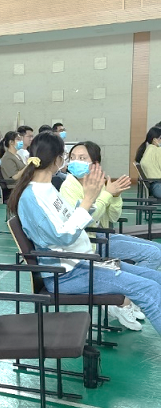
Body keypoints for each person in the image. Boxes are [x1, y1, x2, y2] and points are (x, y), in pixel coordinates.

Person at [7, 132, 161, 335]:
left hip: (83, 262)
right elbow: (62, 236)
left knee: (156, 279)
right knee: (149, 289)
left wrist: (91, 198)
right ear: (58, 159)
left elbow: (71, 218)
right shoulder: (32, 197)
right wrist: (88, 200)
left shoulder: (47, 188)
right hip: (66, 274)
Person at [61, 141, 159, 329]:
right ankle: (125, 300)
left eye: (82, 158)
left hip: (103, 235)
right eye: (72, 158)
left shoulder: (97, 182)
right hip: (90, 241)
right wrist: (107, 194)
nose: (75, 162)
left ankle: (126, 299)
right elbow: (85, 221)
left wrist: (114, 196)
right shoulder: (69, 186)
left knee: (157, 250)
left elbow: (113, 216)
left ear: (95, 164)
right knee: (153, 254)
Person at [135, 125, 161, 198]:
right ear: (155, 140)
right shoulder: (157, 150)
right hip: (158, 187)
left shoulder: (147, 150)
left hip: (154, 187)